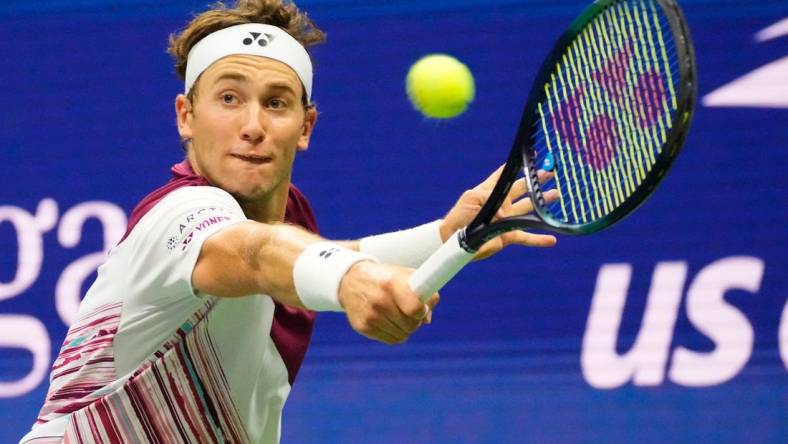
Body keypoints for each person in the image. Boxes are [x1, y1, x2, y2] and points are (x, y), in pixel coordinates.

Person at [20, 0, 556, 442]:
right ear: (186, 115)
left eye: (276, 104)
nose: (252, 125)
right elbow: (255, 255)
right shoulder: (179, 211)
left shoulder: (291, 217)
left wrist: (443, 237)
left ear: (306, 126)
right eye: (229, 98)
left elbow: (309, 255)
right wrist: (350, 280)